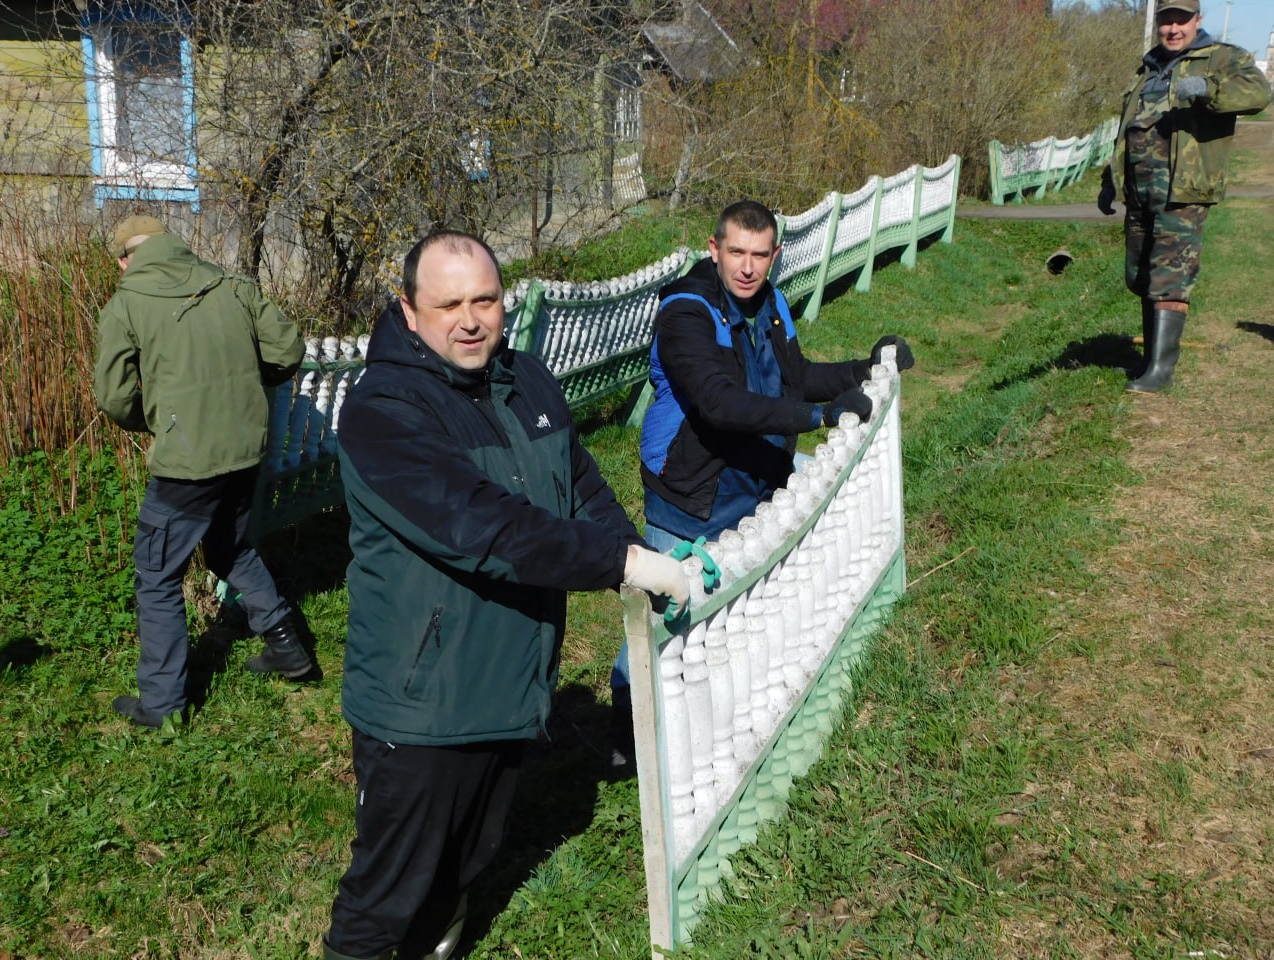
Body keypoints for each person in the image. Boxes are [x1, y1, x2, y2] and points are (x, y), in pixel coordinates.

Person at [324, 230, 690, 960]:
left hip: (510, 682)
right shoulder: (384, 410)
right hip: (425, 698)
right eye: (448, 305)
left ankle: (435, 938)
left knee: (468, 854)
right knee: (386, 891)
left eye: (485, 300)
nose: (470, 321)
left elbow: (578, 484)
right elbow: (484, 527)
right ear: (409, 311)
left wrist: (634, 552)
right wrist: (619, 562)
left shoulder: (528, 381)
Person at [607, 199, 915, 760]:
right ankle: (626, 732)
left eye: (759, 255)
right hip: (692, 494)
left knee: (729, 609)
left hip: (752, 480)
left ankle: (706, 722)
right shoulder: (686, 314)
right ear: (714, 250)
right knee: (664, 615)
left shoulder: (770, 304)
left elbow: (795, 378)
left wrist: (861, 370)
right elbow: (719, 402)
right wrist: (817, 418)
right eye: (736, 253)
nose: (747, 267)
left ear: (774, 255)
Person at [94, 214, 315, 730]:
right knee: (229, 547)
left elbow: (114, 397)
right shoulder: (230, 285)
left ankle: (162, 703)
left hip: (187, 464)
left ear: (125, 260)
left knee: (157, 574)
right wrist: (243, 394)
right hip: (244, 448)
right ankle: (287, 647)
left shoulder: (127, 303)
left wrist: (156, 421)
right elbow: (287, 349)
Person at [1097, 0, 1270, 392]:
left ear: (1197, 20)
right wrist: (1110, 180)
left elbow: (1258, 94)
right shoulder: (1148, 68)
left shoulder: (1222, 58)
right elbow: (1129, 128)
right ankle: (1148, 360)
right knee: (1142, 274)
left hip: (1183, 188)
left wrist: (1209, 89)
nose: (1173, 29)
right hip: (1139, 191)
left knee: (1170, 277)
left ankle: (1161, 371)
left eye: (1182, 20)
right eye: (1166, 21)